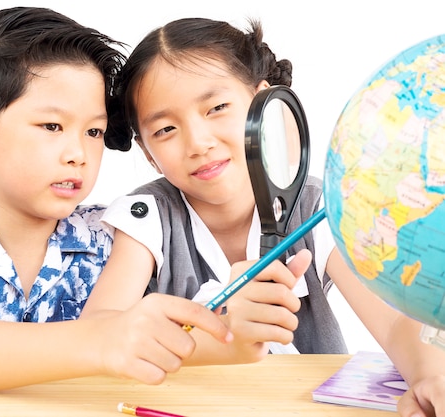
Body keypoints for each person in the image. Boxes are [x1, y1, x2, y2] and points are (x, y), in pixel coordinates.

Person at [81, 17, 445, 416]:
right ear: (148, 154)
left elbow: (395, 324)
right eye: (166, 129)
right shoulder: (146, 218)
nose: (198, 143)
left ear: (266, 106)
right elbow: (99, 333)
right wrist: (222, 330)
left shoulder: (316, 204)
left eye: (217, 108)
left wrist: (430, 376)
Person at [0, 7, 243, 392]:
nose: (78, 153)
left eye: (94, 131)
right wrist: (102, 338)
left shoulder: (120, 233)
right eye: (52, 126)